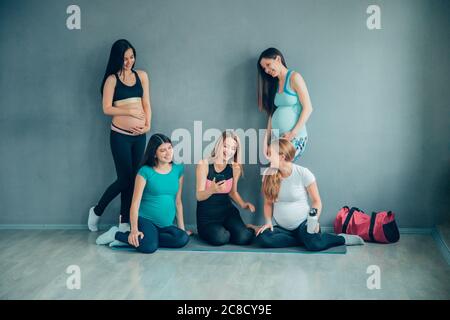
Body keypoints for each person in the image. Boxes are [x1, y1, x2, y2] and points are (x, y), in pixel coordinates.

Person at [252, 139, 364, 251]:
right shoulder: (268, 174)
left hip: (304, 225)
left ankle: (341, 239)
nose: (267, 157)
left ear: (282, 156)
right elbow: (267, 203)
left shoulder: (303, 173)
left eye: (270, 154)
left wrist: (313, 221)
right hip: (282, 229)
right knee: (263, 239)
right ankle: (303, 240)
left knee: (315, 245)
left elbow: (317, 201)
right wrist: (268, 222)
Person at [88, 39, 152, 233]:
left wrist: (147, 125)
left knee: (134, 178)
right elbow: (106, 108)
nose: (129, 62)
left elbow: (147, 103)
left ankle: (124, 221)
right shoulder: (112, 80)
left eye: (131, 57)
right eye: (124, 59)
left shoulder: (142, 76)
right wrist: (130, 113)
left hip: (140, 136)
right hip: (120, 136)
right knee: (124, 178)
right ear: (117, 59)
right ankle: (97, 211)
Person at [96, 134, 190, 253]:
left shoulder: (178, 169)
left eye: (170, 148)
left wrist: (182, 229)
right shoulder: (145, 171)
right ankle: (116, 234)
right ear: (154, 154)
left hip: (165, 224)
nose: (168, 153)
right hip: (145, 220)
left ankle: (140, 239)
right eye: (163, 150)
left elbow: (178, 202)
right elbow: (135, 203)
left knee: (182, 239)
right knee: (149, 247)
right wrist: (134, 230)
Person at [195, 131, 256, 246]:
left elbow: (233, 192)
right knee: (221, 238)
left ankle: (244, 228)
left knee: (244, 238)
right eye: (225, 146)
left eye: (233, 148)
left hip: (227, 213)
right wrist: (212, 190)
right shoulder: (204, 164)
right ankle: (224, 230)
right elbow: (198, 196)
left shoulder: (235, 168)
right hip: (207, 217)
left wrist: (243, 204)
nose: (228, 151)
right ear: (219, 145)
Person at [257, 47, 313, 161]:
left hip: (294, 136)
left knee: (281, 168)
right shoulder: (274, 84)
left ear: (278, 59)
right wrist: (265, 142)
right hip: (277, 138)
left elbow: (308, 108)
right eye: (264, 68)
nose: (266, 70)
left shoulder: (294, 78)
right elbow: (271, 114)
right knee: (275, 172)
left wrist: (292, 133)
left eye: (268, 64)